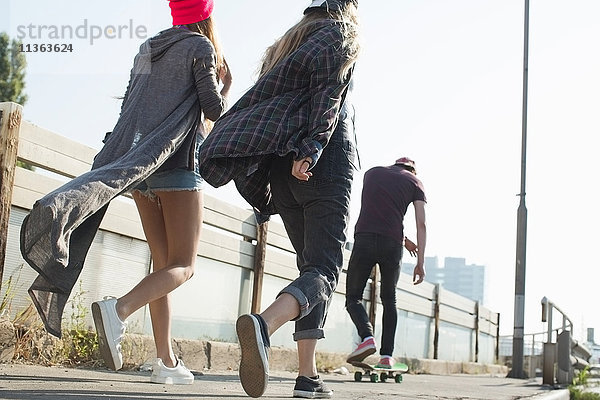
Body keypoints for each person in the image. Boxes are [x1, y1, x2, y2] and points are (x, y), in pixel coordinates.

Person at [20, 0, 231, 385]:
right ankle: (118, 310)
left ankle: (165, 361)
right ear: (207, 13)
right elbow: (214, 110)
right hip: (178, 166)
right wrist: (224, 83)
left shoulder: (147, 48)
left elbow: (131, 107)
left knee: (163, 264)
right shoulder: (202, 49)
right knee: (184, 266)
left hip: (141, 167)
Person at [197, 1, 360, 397]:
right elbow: (329, 96)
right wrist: (313, 149)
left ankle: (307, 376)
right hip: (322, 160)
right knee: (324, 271)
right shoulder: (342, 34)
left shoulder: (288, 44)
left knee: (309, 269)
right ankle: (264, 326)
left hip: (281, 170)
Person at [344, 157, 427, 369]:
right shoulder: (414, 182)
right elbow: (421, 224)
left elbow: (379, 210)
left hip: (364, 237)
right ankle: (387, 356)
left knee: (353, 297)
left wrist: (405, 239)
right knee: (389, 299)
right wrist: (420, 262)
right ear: (412, 171)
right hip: (391, 244)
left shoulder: (372, 173)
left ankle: (366, 337)